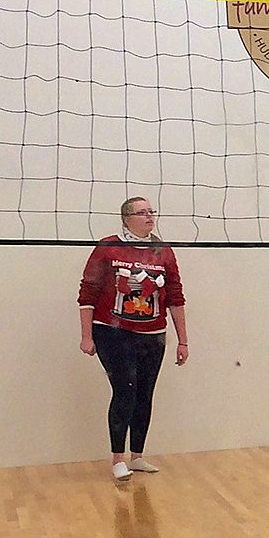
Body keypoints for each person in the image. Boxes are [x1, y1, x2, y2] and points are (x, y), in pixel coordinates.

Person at [78, 196, 188, 481]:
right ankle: (118, 459)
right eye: (142, 212)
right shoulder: (108, 247)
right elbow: (87, 293)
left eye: (152, 212)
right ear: (126, 218)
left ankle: (137, 456)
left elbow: (175, 296)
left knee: (144, 395)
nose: (150, 217)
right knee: (125, 391)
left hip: (153, 334)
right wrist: (86, 336)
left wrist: (183, 340)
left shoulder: (162, 252)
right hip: (113, 331)